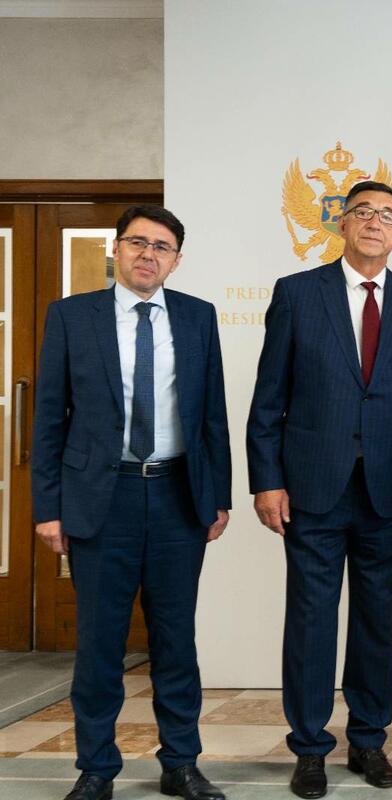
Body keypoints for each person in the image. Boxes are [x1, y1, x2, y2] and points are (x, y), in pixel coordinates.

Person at [246, 181, 392, 799]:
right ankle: (309, 748)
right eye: (363, 213)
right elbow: (268, 397)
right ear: (342, 223)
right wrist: (267, 480)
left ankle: (368, 740)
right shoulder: (298, 293)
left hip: (388, 491)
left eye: (388, 216)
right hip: (312, 486)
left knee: (375, 620)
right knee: (310, 620)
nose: (375, 223)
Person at [31, 206, 231, 800]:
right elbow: (49, 417)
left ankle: (181, 764)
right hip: (101, 498)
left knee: (176, 639)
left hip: (177, 496)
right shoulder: (72, 316)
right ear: (116, 250)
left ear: (176, 260)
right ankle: (97, 768)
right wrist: (48, 507)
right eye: (138, 242)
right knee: (100, 641)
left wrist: (217, 497)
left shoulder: (197, 316)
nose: (149, 254)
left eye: (162, 247)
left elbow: (212, 415)